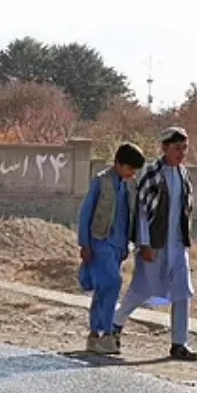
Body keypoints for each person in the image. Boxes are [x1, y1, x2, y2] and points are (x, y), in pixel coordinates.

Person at [112, 127, 197, 362]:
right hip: (154, 244)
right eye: (176, 148)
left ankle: (179, 344)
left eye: (184, 148)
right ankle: (115, 324)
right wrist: (144, 243)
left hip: (178, 244)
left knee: (182, 293)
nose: (181, 153)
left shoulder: (183, 174)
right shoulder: (153, 174)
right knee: (141, 290)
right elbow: (142, 212)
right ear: (164, 148)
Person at [76, 142, 146, 355]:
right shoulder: (101, 181)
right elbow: (86, 213)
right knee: (113, 285)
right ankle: (107, 333)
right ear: (118, 163)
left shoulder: (128, 185)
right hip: (100, 243)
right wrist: (84, 244)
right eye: (129, 168)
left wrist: (126, 245)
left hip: (116, 246)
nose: (132, 173)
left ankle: (94, 335)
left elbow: (127, 217)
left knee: (103, 291)